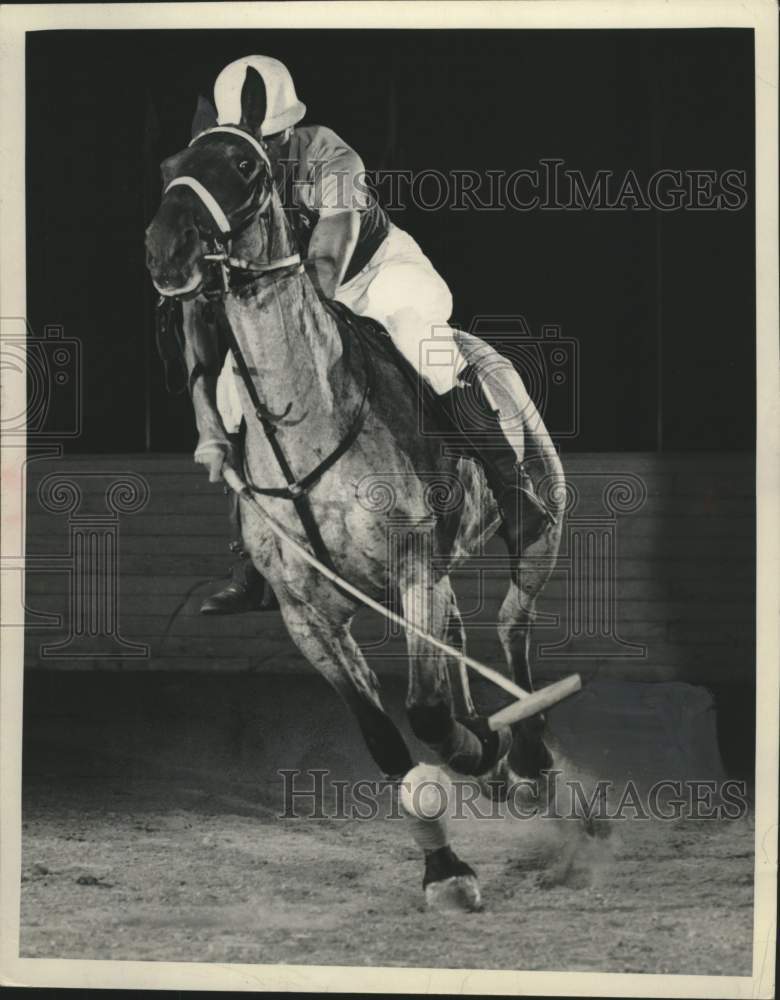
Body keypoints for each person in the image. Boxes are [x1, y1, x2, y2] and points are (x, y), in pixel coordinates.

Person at [186, 55, 554, 615]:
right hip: (297, 298)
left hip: (376, 274)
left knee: (421, 346)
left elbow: (330, 256)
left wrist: (301, 328)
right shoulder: (223, 174)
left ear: (289, 129)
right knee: (234, 393)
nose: (264, 151)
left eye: (274, 138)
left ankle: (515, 496)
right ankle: (250, 562)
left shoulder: (332, 156)